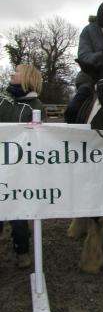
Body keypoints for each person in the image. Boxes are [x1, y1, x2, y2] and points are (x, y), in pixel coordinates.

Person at [0, 63, 46, 269]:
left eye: (17, 71)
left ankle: (22, 249)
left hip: (19, 169)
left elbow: (39, 139)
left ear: (27, 77)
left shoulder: (36, 107)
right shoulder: (2, 101)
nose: (12, 73)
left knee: (19, 210)